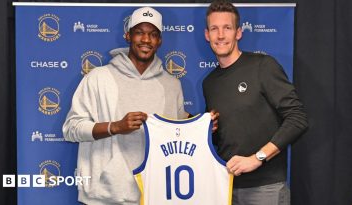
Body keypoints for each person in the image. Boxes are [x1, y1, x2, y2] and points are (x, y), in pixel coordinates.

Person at [62, 7, 218, 205]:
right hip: (106, 196)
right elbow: (71, 128)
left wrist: (201, 124)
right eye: (140, 32)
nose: (146, 40)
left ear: (159, 40)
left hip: (156, 194)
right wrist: (115, 127)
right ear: (128, 35)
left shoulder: (171, 84)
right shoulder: (98, 78)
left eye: (153, 34)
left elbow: (177, 123)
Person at [203, 1, 308, 205]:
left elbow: (297, 118)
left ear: (238, 33)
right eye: (214, 29)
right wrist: (212, 129)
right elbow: (223, 138)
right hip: (227, 186)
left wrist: (257, 158)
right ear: (207, 35)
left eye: (227, 28)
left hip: (266, 188)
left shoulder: (262, 66)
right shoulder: (209, 82)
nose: (221, 35)